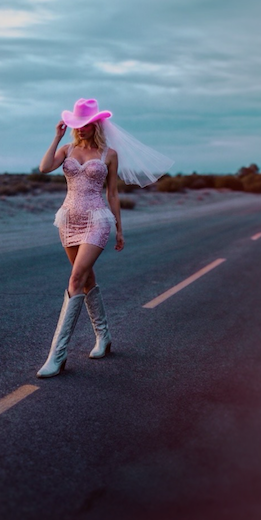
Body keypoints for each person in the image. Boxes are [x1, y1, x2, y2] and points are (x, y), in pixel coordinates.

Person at [36, 98, 173, 379]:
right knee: (86, 280)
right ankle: (104, 337)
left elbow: (112, 193)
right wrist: (57, 136)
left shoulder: (109, 154)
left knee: (75, 280)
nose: (81, 128)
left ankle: (57, 356)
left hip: (97, 220)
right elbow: (44, 167)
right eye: (77, 124)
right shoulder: (67, 148)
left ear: (96, 124)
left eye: (86, 124)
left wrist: (120, 228)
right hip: (69, 219)